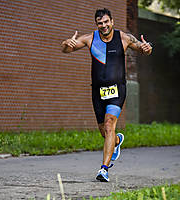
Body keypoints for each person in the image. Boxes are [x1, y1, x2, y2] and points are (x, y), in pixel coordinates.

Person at [61, 8, 152, 182]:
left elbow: (142, 49)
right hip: (97, 91)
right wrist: (67, 43)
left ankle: (104, 169)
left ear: (112, 21)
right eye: (100, 23)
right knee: (104, 131)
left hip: (117, 89)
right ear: (97, 24)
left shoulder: (123, 37)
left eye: (106, 22)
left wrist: (147, 48)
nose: (103, 25)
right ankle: (117, 141)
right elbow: (66, 50)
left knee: (110, 124)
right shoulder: (90, 38)